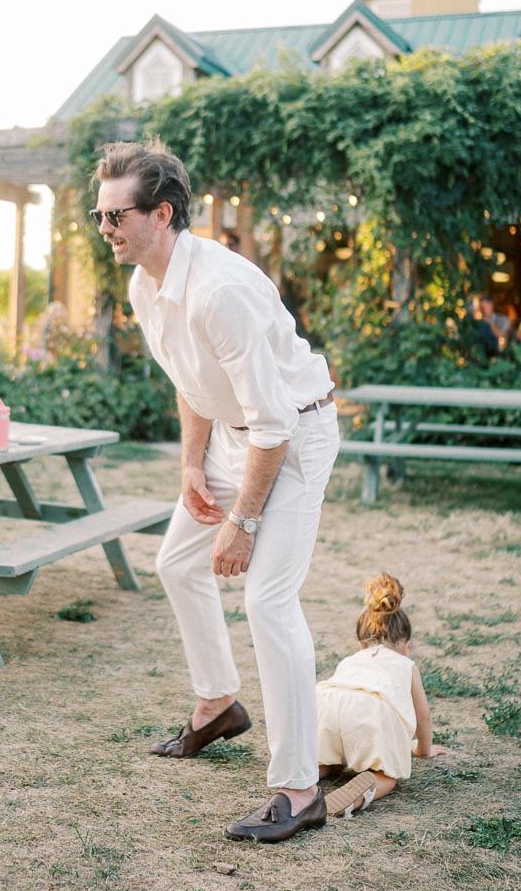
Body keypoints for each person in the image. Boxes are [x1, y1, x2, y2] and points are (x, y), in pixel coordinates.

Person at [92, 140, 340, 843]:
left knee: (266, 599)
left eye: (117, 216)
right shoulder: (146, 284)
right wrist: (191, 468)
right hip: (237, 436)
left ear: (161, 213)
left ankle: (298, 789)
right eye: (99, 215)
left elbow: (274, 425)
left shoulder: (220, 289)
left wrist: (242, 521)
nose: (105, 229)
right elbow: (191, 381)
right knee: (176, 562)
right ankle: (218, 704)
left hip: (293, 437)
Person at [316, 572, 447, 816]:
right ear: (406, 645)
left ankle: (311, 773)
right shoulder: (406, 665)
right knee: (387, 774)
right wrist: (424, 750)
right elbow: (424, 717)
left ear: (360, 642)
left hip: (326, 705)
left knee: (331, 759)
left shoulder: (351, 660)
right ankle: (361, 791)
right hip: (371, 710)